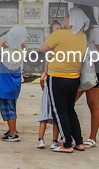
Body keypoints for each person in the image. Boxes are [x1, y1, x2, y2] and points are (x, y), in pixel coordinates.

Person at [39, 7, 89, 153]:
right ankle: (78, 142)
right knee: (70, 110)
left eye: (66, 17)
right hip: (74, 78)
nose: (63, 20)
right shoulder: (82, 36)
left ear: (72, 20)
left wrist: (53, 38)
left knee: (59, 112)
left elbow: (43, 48)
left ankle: (67, 143)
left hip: (57, 77)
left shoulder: (60, 34)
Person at [75, 4, 99, 148]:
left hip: (95, 69)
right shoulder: (81, 32)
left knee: (93, 104)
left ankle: (92, 137)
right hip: (83, 68)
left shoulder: (95, 31)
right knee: (70, 101)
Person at [0, 26, 28, 142]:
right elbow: (26, 52)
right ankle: (12, 129)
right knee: (12, 108)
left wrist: (2, 40)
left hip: (6, 88)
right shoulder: (18, 53)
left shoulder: (6, 55)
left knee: (8, 111)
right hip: (15, 87)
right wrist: (21, 41)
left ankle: (13, 134)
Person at [37, 20, 62, 149]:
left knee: (56, 115)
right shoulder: (51, 49)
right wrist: (43, 79)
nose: (59, 32)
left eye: (61, 29)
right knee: (44, 115)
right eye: (56, 30)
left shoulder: (60, 47)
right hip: (50, 84)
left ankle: (54, 140)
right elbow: (46, 67)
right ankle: (40, 139)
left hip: (56, 83)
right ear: (51, 33)